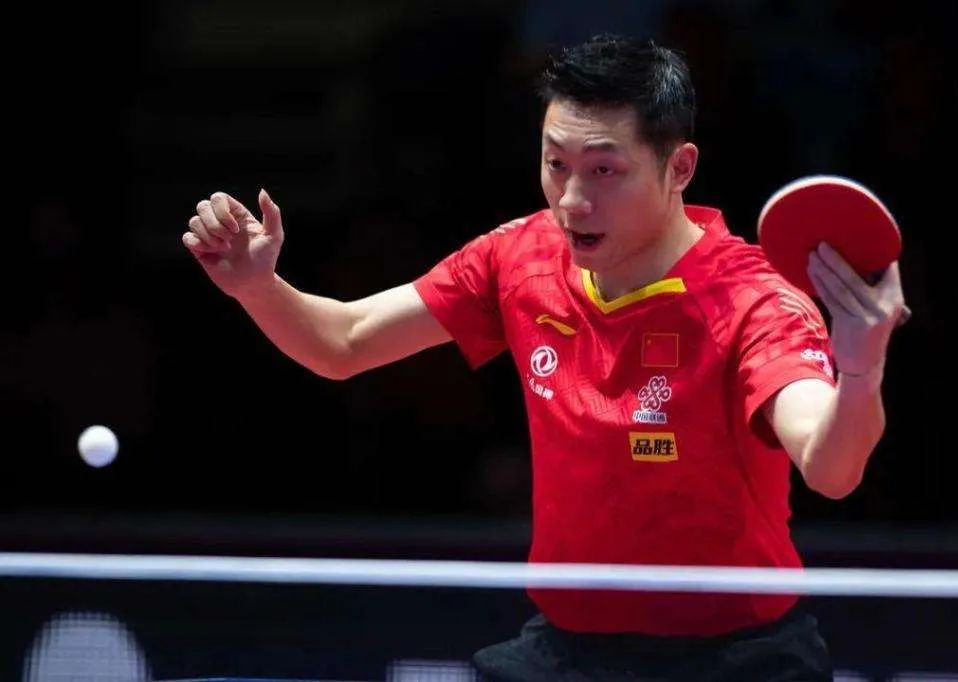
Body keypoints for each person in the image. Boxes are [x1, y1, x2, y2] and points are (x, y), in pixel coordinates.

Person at [183, 34, 907, 682]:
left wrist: (862, 367)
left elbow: (832, 468)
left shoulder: (752, 300)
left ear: (679, 166)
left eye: (605, 171)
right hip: (569, 653)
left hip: (737, 660)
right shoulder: (519, 258)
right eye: (556, 164)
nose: (572, 200)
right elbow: (343, 343)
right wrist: (258, 287)